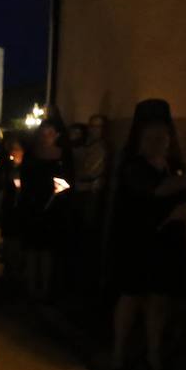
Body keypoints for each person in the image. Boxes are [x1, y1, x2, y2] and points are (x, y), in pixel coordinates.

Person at [106, 100, 186, 370]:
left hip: (167, 243)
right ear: (141, 138)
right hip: (138, 242)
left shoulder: (174, 165)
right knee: (131, 297)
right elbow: (155, 190)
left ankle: (154, 355)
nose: (159, 141)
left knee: (159, 301)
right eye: (152, 137)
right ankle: (118, 353)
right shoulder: (133, 165)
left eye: (163, 136)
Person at [19, 118, 74, 302]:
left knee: (47, 250)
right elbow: (25, 178)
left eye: (50, 133)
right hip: (32, 206)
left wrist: (62, 188)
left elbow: (68, 178)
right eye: (43, 133)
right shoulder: (31, 154)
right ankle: (31, 285)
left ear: (57, 135)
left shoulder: (63, 155)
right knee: (33, 249)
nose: (45, 136)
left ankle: (45, 286)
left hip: (53, 209)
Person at [70, 114, 111, 298]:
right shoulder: (85, 145)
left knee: (88, 234)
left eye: (99, 127)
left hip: (90, 195)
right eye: (93, 126)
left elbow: (92, 172)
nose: (96, 130)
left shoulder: (102, 148)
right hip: (81, 191)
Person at [0, 134, 27, 285]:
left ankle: (17, 269)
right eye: (12, 149)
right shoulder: (8, 167)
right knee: (9, 238)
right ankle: (9, 267)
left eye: (16, 149)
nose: (13, 152)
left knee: (17, 239)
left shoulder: (27, 168)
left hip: (20, 210)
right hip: (9, 208)